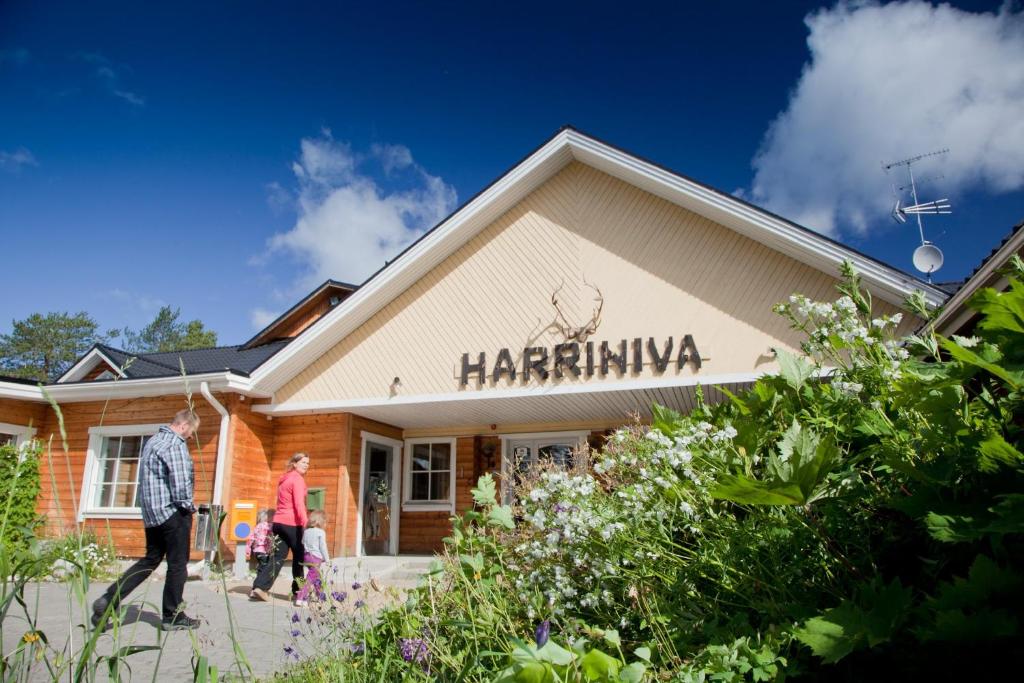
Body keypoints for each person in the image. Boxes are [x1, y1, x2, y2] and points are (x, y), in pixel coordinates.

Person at [91, 409, 201, 631]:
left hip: (152, 515)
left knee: (150, 560)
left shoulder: (153, 441)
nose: (190, 437)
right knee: (178, 565)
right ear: (184, 426)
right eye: (191, 432)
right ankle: (173, 616)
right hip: (172, 513)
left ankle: (109, 599)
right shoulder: (175, 445)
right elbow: (180, 485)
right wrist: (190, 507)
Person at [251, 452, 309, 601]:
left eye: (307, 463)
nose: (306, 466)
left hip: (278, 523)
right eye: (303, 462)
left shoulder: (284, 479)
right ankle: (299, 593)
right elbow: (298, 503)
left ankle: (260, 587)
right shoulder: (297, 479)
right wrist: (305, 522)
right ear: (295, 463)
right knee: (299, 559)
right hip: (292, 524)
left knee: (277, 557)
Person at [294, 509, 330, 607]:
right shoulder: (321, 532)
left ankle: (320, 596)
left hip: (306, 556)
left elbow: (302, 542)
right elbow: (323, 546)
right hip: (316, 558)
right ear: (321, 521)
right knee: (310, 578)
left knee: (316, 577)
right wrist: (327, 559)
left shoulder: (306, 531)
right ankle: (301, 597)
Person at [245, 509, 274, 595]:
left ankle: (255, 589)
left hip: (257, 551)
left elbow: (251, 538)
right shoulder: (270, 526)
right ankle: (256, 589)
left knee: (261, 569)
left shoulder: (257, 526)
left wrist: (248, 551)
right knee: (264, 571)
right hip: (265, 551)